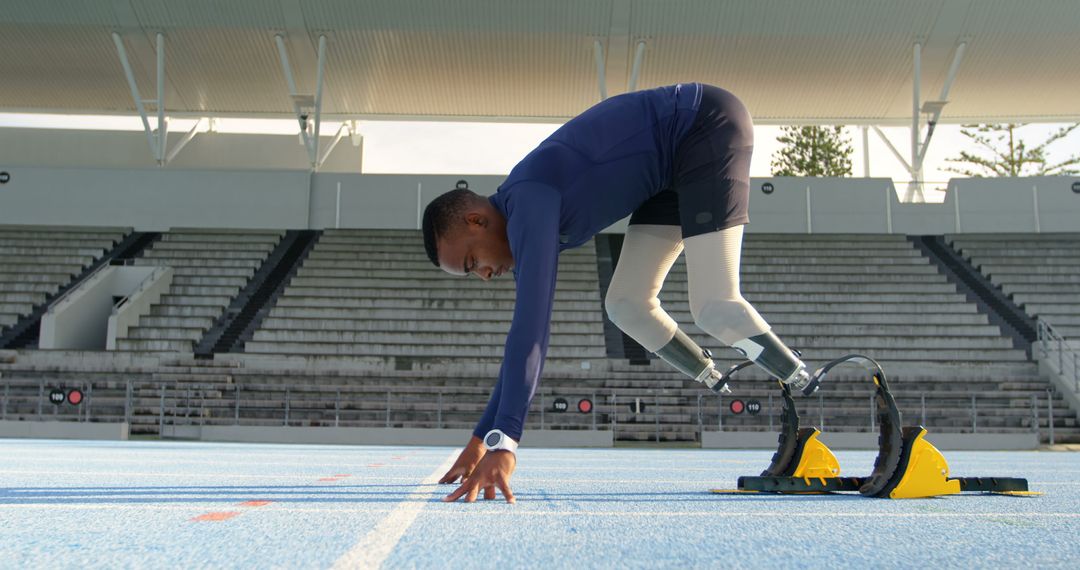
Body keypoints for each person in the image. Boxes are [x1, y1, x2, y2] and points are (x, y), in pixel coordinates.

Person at [422, 83, 813, 504]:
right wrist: (481, 438)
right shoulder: (519, 215)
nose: (483, 275)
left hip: (703, 125)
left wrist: (505, 444)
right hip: (667, 174)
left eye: (471, 263)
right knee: (626, 304)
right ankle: (712, 374)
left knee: (714, 306)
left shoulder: (529, 201)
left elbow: (530, 331)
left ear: (477, 221)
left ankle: (810, 387)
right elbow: (519, 344)